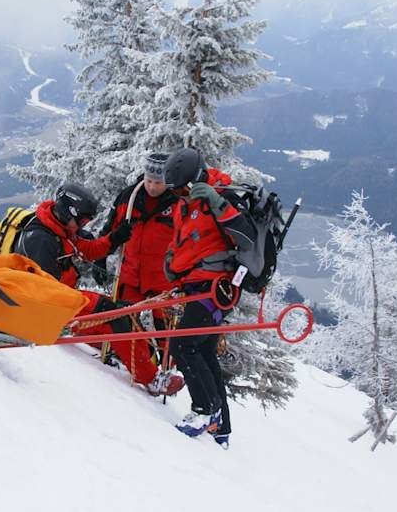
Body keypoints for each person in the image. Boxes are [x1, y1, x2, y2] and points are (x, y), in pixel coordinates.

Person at [15, 182, 158, 379]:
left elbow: (87, 249)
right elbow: (46, 292)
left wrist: (113, 239)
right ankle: (150, 378)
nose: (83, 226)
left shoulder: (58, 228)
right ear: (68, 212)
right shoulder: (42, 240)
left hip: (59, 299)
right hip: (48, 306)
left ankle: (132, 358)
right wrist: (102, 306)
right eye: (81, 222)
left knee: (117, 313)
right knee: (111, 313)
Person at [162, 148, 239, 447]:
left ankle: (206, 410)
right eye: (176, 190)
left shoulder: (222, 197)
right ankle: (222, 428)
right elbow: (183, 241)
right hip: (197, 286)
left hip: (216, 289)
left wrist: (219, 204)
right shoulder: (187, 204)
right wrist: (172, 263)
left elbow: (242, 235)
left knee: (182, 344)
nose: (180, 194)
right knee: (204, 351)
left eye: (182, 188)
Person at [98, 153, 185, 396]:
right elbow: (111, 228)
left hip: (163, 282)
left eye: (157, 182)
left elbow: (187, 242)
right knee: (122, 322)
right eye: (149, 180)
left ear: (167, 181)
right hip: (130, 275)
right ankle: (120, 359)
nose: (152, 186)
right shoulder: (129, 197)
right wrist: (102, 256)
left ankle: (164, 371)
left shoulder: (178, 203)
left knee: (166, 333)